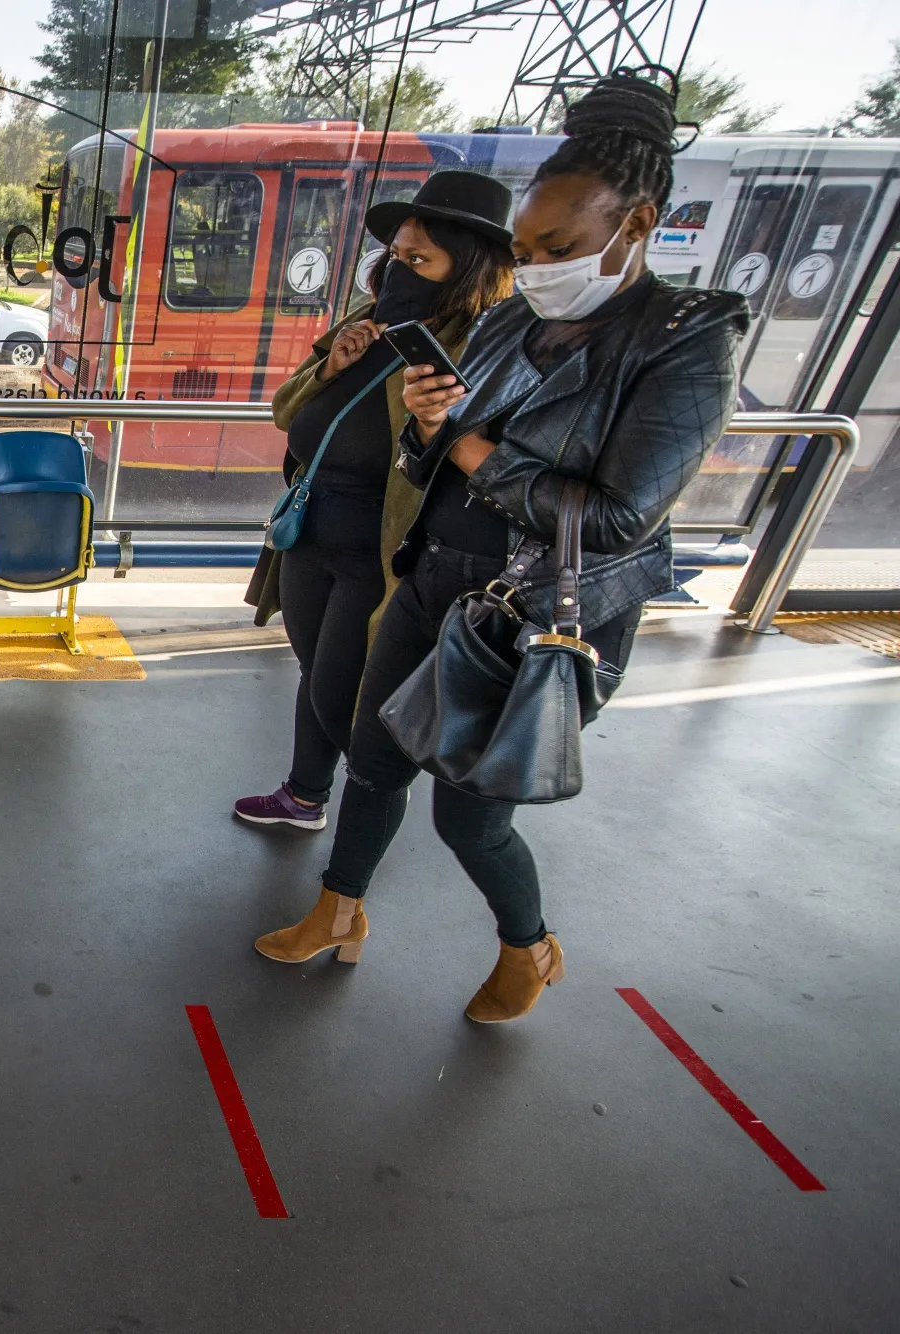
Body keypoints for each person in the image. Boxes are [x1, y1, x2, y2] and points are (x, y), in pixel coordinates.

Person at [252, 69, 748, 1023]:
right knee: (372, 756)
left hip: (534, 613)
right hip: (434, 576)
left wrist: (467, 444)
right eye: (526, 248)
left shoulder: (685, 342)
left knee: (469, 815)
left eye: (560, 246)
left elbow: (614, 518)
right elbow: (422, 455)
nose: (539, 265)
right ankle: (338, 910)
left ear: (637, 224)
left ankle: (529, 946)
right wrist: (426, 423)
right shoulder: (514, 320)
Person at [236, 172, 517, 832]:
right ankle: (305, 795)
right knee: (313, 669)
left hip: (381, 545)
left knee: (344, 691)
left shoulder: (478, 346)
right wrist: (332, 366)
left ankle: (376, 791)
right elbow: (286, 411)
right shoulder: (367, 322)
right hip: (310, 524)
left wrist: (436, 413)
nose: (399, 268)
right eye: (395, 254)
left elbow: (474, 462)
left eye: (419, 259)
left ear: (466, 268)